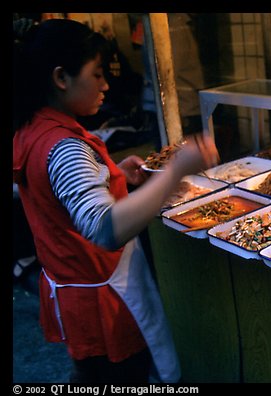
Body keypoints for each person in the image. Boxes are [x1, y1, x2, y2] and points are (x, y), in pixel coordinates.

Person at [12, 18, 219, 383]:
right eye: (96, 74)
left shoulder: (34, 128)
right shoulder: (63, 148)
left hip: (78, 292)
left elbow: (60, 197)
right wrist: (175, 172)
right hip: (101, 302)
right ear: (61, 78)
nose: (107, 85)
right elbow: (105, 228)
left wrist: (115, 175)